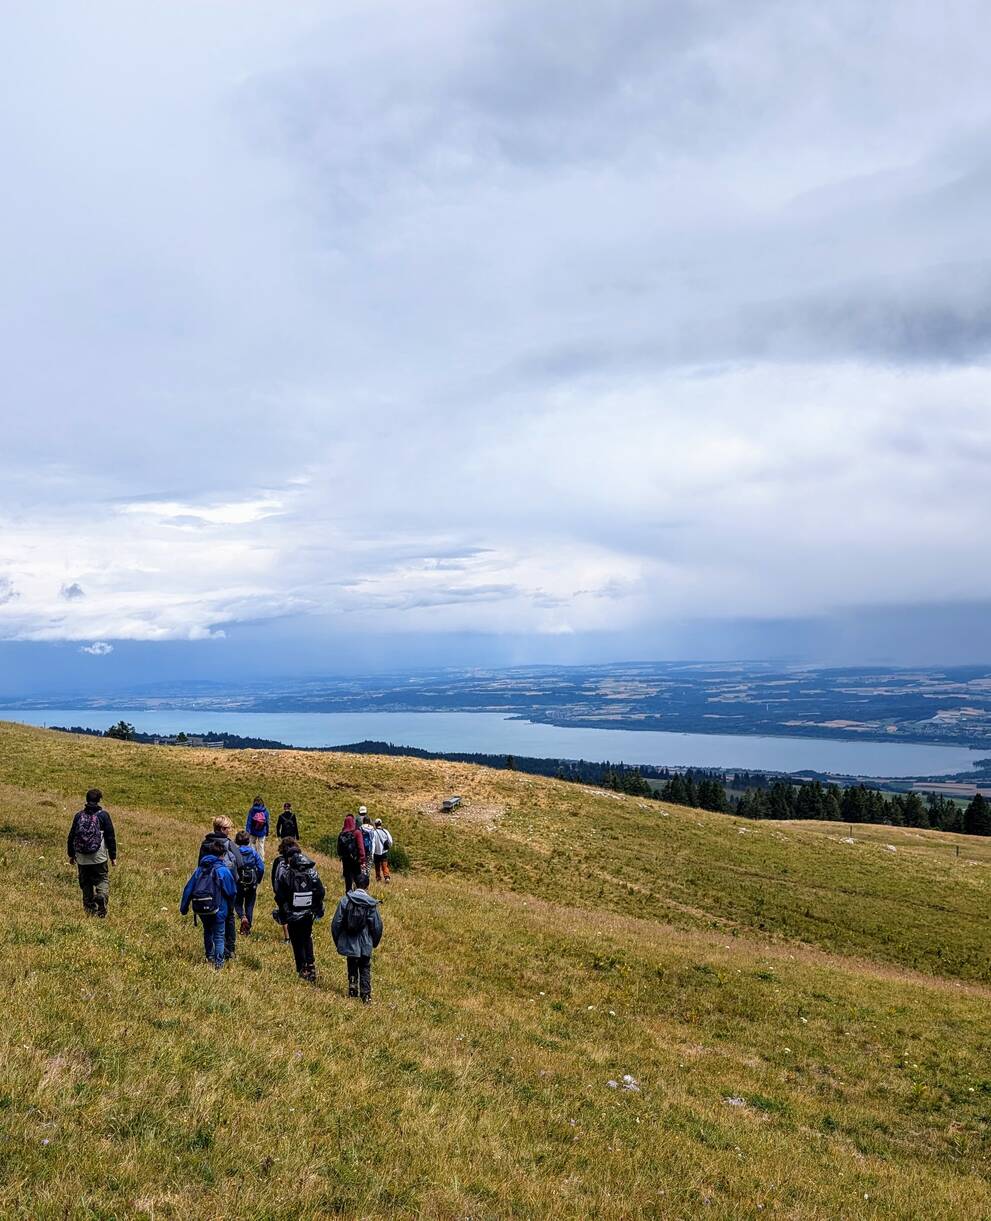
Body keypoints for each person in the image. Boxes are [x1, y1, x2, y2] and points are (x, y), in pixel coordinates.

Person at [273, 840, 325, 982]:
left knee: (296, 939)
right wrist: (315, 906)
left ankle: (301, 968)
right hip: (308, 913)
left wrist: (285, 910)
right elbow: (320, 892)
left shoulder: (287, 873)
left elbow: (280, 895)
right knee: (307, 937)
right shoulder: (311, 872)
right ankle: (311, 964)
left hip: (293, 913)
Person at [180, 847, 237, 969]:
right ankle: (218, 963)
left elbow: (188, 888)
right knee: (219, 935)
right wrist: (231, 906)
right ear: (222, 855)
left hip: (201, 908)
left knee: (207, 930)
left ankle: (209, 956)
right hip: (218, 908)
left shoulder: (199, 869)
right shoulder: (223, 870)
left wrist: (184, 908)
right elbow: (231, 891)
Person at [331, 872, 383, 1003]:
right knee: (365, 966)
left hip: (349, 940)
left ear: (354, 884)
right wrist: (374, 942)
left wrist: (338, 940)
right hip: (365, 941)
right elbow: (377, 926)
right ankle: (366, 994)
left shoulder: (346, 900)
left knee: (351, 961)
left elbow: (336, 922)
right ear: (367, 886)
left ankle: (352, 986)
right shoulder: (371, 904)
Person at [199, 816, 245, 961]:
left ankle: (211, 952)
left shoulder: (205, 843)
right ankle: (228, 949)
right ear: (221, 829)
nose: (230, 831)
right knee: (228, 917)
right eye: (228, 828)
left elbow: (200, 864)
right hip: (226, 886)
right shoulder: (228, 844)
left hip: (208, 888)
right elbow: (240, 862)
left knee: (209, 920)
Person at [67, 788, 118, 918]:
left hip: (82, 857)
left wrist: (71, 855)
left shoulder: (79, 816)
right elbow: (110, 837)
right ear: (99, 800)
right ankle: (101, 897)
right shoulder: (103, 816)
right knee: (102, 878)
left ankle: (90, 912)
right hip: (99, 856)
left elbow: (72, 836)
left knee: (85, 883)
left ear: (86, 799)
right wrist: (113, 856)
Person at [233, 830, 264, 935]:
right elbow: (261, 867)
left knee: (237, 902)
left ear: (237, 841)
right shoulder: (254, 853)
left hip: (238, 882)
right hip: (252, 883)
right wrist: (258, 880)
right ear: (248, 841)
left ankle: (242, 916)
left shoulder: (235, 853)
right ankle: (247, 929)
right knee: (250, 904)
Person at [337, 813, 366, 892]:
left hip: (345, 860)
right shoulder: (356, 832)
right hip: (355, 860)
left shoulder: (342, 834)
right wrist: (362, 859)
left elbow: (339, 849)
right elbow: (361, 847)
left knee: (348, 880)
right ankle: (360, 895)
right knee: (358, 879)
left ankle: (348, 895)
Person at [372, 818, 393, 884]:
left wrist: (372, 853)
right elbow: (390, 840)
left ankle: (378, 878)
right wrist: (388, 847)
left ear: (375, 824)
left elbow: (373, 843)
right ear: (381, 824)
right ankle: (386, 877)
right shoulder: (385, 831)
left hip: (376, 852)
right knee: (385, 865)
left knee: (377, 866)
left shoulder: (374, 832)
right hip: (384, 851)